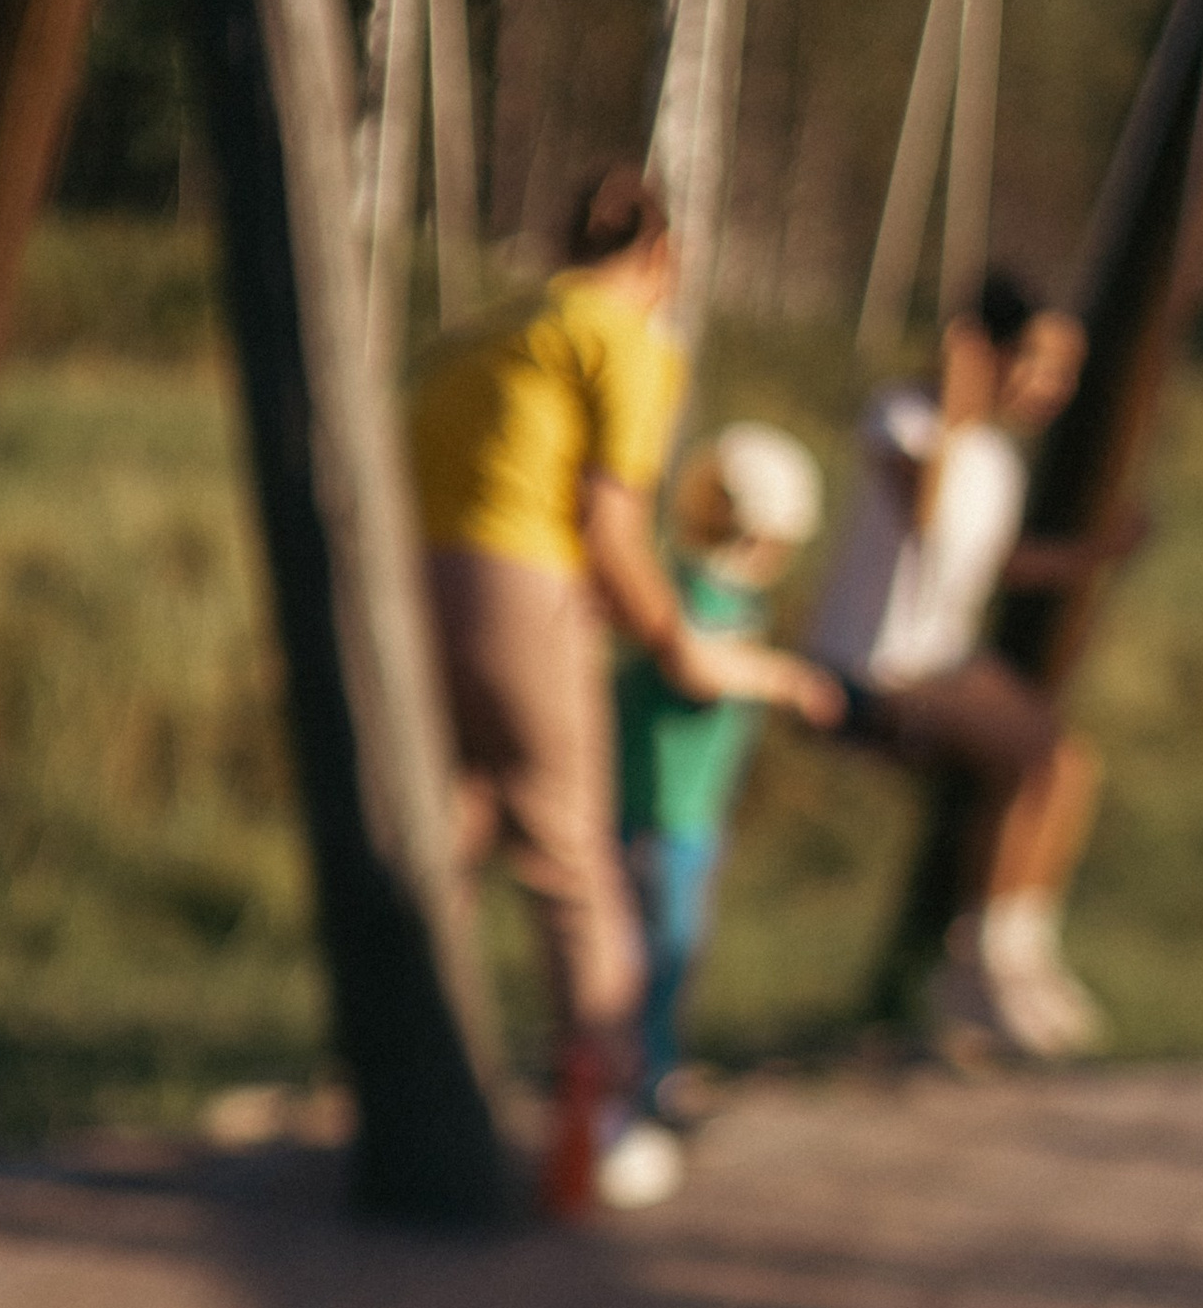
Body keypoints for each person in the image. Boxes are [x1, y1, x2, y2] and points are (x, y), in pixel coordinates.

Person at [407, 169, 837, 1216]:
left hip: (415, 587)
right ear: (662, 256)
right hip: (523, 587)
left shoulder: (481, 334)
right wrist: (674, 639)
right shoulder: (625, 341)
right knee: (570, 858)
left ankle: (411, 1085)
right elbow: (608, 530)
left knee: (450, 835)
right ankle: (594, 1133)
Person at [810, 270, 1108, 1061]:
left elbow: (996, 562)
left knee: (1064, 764)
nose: (1055, 385)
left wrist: (1097, 556)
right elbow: (928, 515)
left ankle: (1015, 946)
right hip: (873, 670)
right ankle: (977, 964)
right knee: (1037, 754)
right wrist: (955, 398)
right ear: (988, 353)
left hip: (937, 660)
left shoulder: (998, 458)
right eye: (1042, 362)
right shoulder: (904, 419)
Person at [614, 423, 825, 1129]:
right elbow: (700, 665)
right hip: (659, 813)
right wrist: (785, 678)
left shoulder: (719, 595)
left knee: (672, 956)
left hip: (693, 813)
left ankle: (649, 1072)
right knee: (659, 957)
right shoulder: (690, 593)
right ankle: (641, 1082)